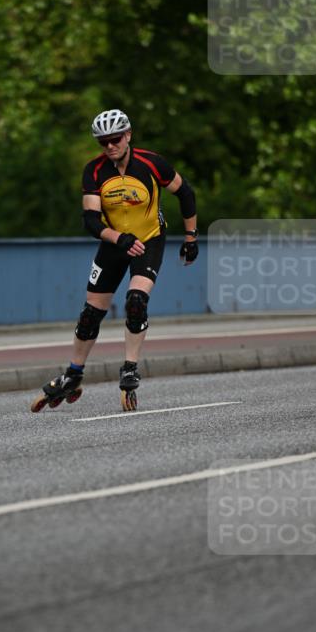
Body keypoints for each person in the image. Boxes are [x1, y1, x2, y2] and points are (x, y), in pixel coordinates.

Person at [30, 108, 198, 412]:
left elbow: (186, 193)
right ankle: (73, 374)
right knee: (90, 314)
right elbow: (90, 220)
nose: (110, 146)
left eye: (115, 139)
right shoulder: (94, 171)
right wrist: (119, 238)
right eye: (103, 141)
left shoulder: (152, 163)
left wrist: (191, 238)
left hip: (148, 240)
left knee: (136, 301)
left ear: (128, 135)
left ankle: (130, 368)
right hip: (114, 243)